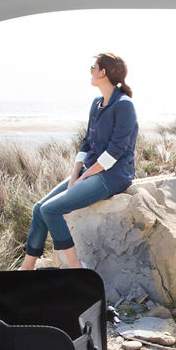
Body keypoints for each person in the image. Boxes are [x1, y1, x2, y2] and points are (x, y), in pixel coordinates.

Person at [20, 53, 138, 270]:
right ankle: (26, 269)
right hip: (90, 171)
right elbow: (86, 143)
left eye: (93, 68)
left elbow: (114, 152)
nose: (91, 72)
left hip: (112, 176)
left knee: (50, 210)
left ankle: (77, 268)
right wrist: (75, 175)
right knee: (39, 208)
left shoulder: (124, 105)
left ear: (103, 72)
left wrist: (84, 177)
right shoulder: (97, 103)